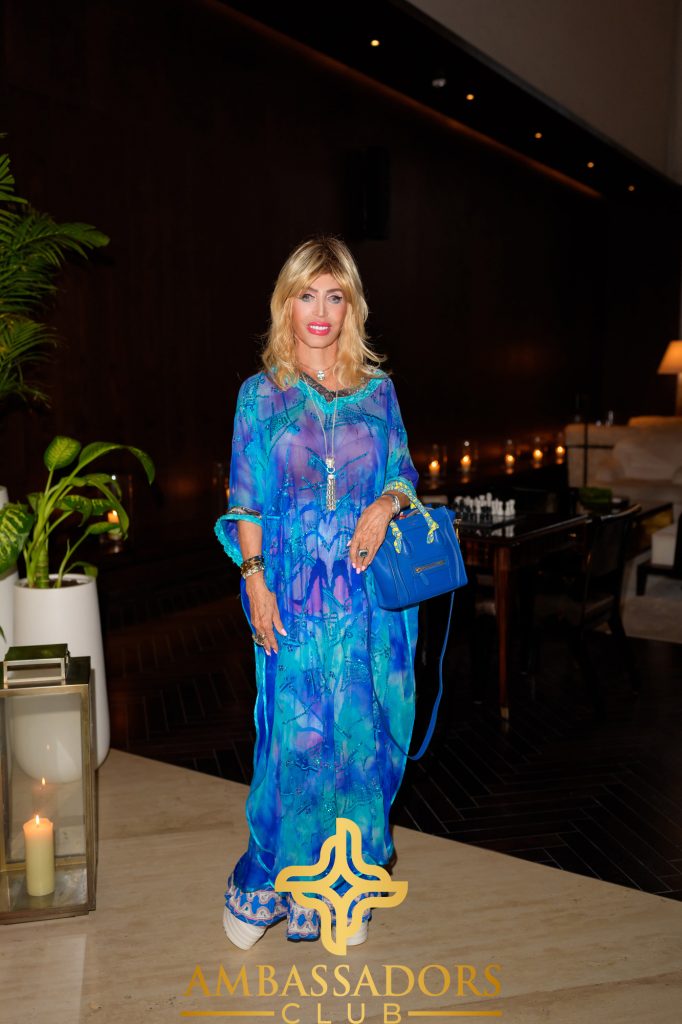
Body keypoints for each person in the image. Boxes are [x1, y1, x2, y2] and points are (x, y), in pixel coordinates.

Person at [215, 236, 419, 949]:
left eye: (335, 295)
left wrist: (386, 503)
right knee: (294, 743)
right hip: (292, 600)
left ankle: (346, 888)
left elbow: (403, 471)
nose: (321, 310)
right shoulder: (260, 395)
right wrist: (254, 579)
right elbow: (245, 500)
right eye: (307, 295)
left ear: (352, 305)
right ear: (287, 304)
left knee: (359, 743)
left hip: (363, 608)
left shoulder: (378, 391)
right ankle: (272, 882)